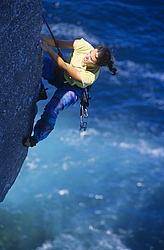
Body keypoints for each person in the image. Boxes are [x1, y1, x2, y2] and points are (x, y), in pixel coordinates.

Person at [23, 37, 117, 147]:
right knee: (38, 62)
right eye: (90, 52)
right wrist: (41, 40)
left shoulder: (89, 77)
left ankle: (35, 138)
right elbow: (57, 42)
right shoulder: (83, 45)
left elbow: (65, 66)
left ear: (97, 65)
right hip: (61, 74)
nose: (87, 56)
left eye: (91, 60)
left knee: (52, 110)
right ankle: (40, 90)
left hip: (73, 89)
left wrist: (48, 49)